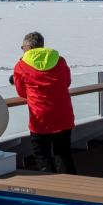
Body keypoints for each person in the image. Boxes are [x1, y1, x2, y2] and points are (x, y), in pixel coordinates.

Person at [11, 31, 77, 173]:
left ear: (28, 48)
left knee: (42, 156)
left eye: (22, 47)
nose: (22, 50)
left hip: (40, 118)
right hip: (63, 114)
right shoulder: (59, 60)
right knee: (63, 153)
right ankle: (71, 188)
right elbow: (67, 82)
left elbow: (21, 92)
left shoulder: (21, 66)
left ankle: (48, 188)